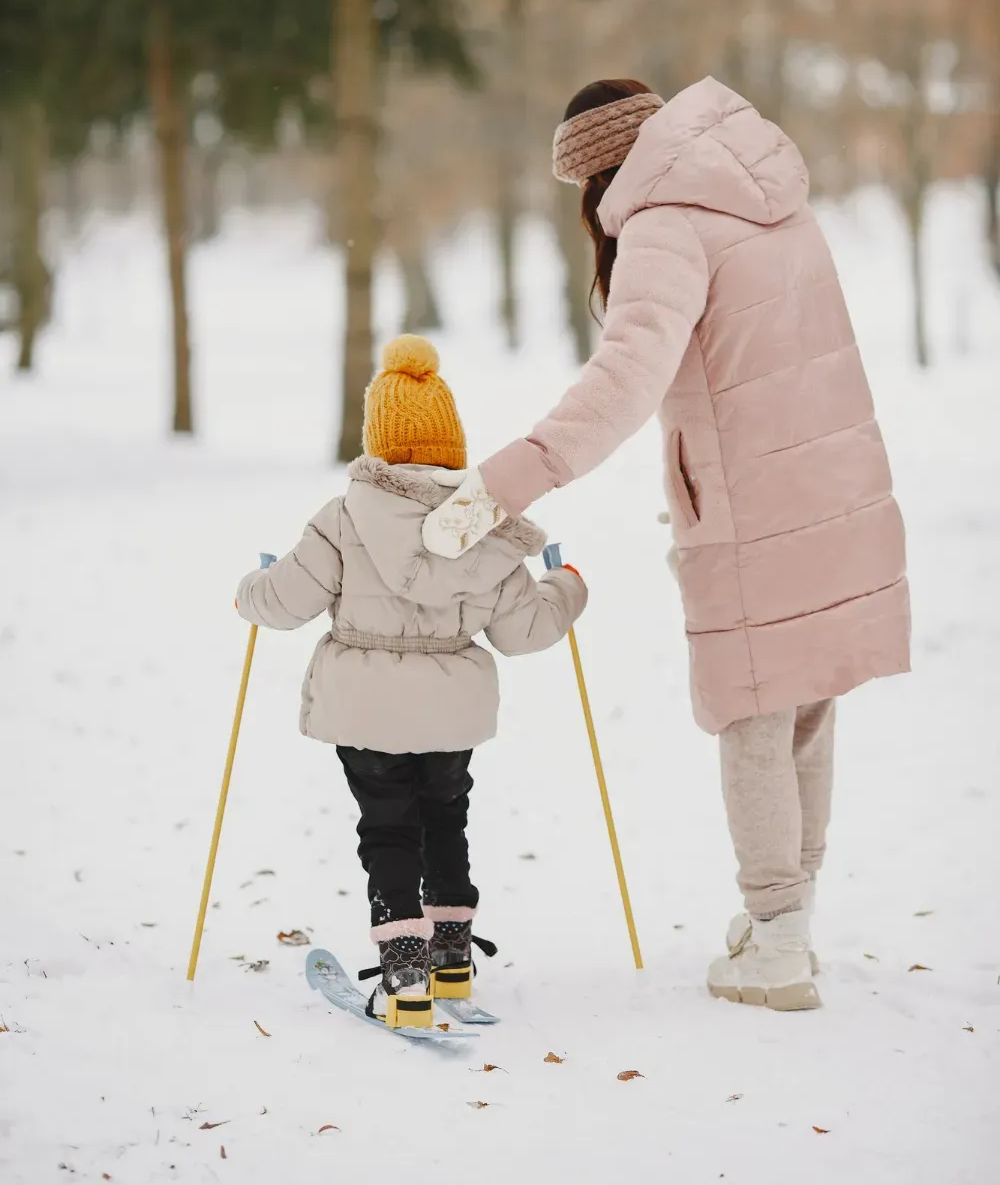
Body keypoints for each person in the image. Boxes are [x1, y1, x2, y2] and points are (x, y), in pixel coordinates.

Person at [423, 76, 910, 1011]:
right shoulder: (765, 197)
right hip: (835, 481)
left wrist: (498, 488)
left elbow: (625, 382)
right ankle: (789, 918)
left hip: (756, 503)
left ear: (592, 177)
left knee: (753, 713)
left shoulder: (662, 223)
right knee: (805, 703)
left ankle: (775, 946)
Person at [236, 335, 586, 1029]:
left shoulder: (342, 520)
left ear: (377, 443)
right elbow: (524, 631)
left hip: (366, 710)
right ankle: (451, 957)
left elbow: (282, 602)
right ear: (451, 446)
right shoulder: (487, 529)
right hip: (451, 712)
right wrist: (564, 587)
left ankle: (405, 972)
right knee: (444, 818)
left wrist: (252, 588)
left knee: (388, 828)